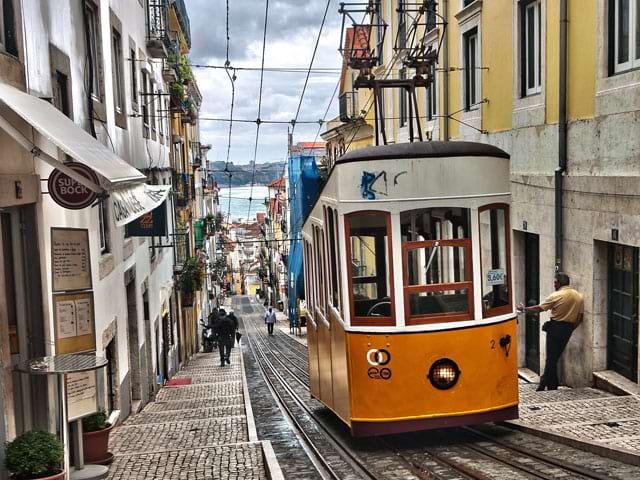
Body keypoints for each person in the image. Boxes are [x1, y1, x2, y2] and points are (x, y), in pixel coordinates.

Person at [518, 272, 584, 391]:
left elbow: (539, 308)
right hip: (568, 328)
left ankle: (547, 383)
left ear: (559, 283)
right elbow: (580, 317)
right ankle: (550, 383)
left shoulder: (556, 295)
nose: (554, 284)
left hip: (555, 327)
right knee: (555, 356)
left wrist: (524, 310)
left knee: (551, 358)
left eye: (555, 282)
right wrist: (570, 328)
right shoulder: (578, 296)